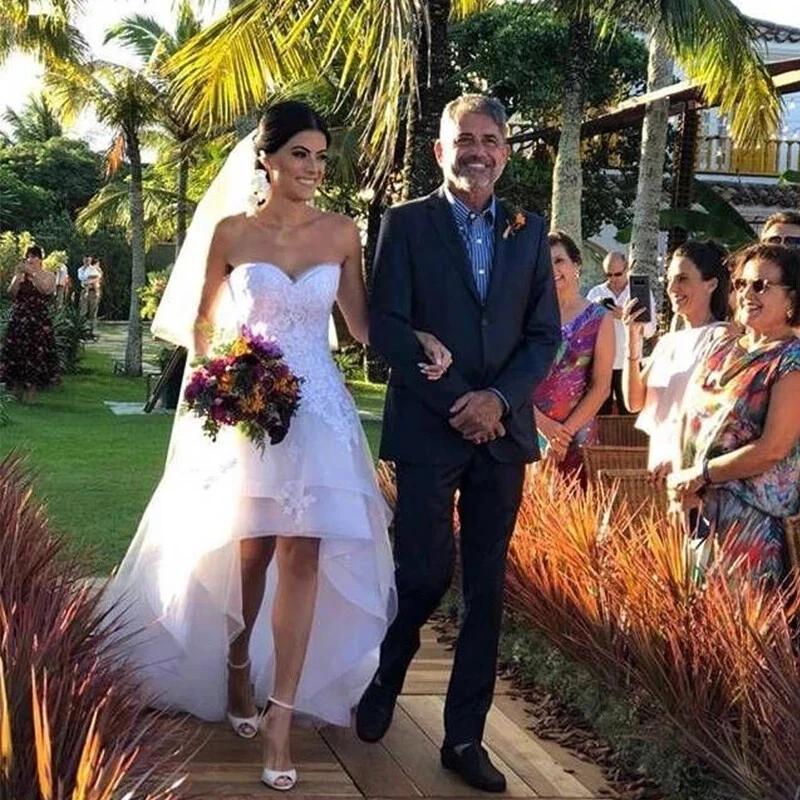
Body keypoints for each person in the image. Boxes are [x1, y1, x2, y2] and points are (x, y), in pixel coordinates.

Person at [103, 101, 451, 792]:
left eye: (320, 158)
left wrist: (417, 339)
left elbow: (359, 326)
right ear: (266, 158)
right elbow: (203, 325)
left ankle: (281, 718)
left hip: (318, 413)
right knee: (251, 553)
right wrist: (225, 376)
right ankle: (238, 668)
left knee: (303, 553)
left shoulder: (342, 232)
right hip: (251, 412)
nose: (314, 169)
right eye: (300, 155)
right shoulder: (232, 232)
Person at [357, 94, 561, 793]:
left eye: (490, 139)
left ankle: (464, 738)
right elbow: (386, 326)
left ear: (506, 151)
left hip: (501, 435)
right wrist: (458, 402)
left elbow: (543, 336)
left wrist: (496, 401)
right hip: (428, 428)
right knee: (421, 573)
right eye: (464, 139)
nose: (478, 151)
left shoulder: (529, 231)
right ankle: (388, 672)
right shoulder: (406, 223)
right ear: (440, 151)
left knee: (485, 588)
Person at [667, 243, 800, 584]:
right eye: (741, 283)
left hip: (750, 523)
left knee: (740, 617)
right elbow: (688, 417)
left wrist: (702, 474)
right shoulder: (724, 346)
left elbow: (773, 448)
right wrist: (684, 483)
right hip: (697, 509)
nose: (746, 294)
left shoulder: (791, 360)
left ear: (792, 299)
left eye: (761, 286)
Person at [621, 240, 730, 474]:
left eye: (682, 279)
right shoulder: (668, 342)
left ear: (711, 284)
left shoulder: (723, 338)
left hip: (693, 469)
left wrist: (680, 459)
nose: (672, 288)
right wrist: (632, 338)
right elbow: (633, 402)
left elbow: (720, 417)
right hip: (658, 469)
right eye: (669, 279)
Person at [533, 231, 614, 480]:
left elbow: (601, 387)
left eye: (559, 260)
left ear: (576, 263)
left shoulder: (599, 318)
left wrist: (562, 435)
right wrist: (543, 426)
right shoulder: (527, 317)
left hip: (577, 435)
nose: (553, 269)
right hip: (530, 429)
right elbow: (514, 378)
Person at [587, 251, 656, 414]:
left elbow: (650, 330)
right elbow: (585, 331)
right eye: (608, 274)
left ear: (627, 268)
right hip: (601, 365)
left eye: (617, 274)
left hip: (630, 363)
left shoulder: (639, 292)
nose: (613, 279)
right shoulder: (596, 293)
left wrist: (626, 318)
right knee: (600, 416)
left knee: (630, 415)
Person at [0, 244, 59, 403]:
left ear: (40, 259)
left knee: (35, 355)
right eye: (28, 256)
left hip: (38, 320)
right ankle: (16, 393)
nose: (30, 259)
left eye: (33, 256)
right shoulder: (22, 276)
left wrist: (32, 274)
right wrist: (18, 276)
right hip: (20, 318)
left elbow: (46, 290)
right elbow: (11, 293)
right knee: (17, 354)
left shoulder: (48, 275)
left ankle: (31, 395)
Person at [78, 255, 102, 337]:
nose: (87, 261)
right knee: (83, 311)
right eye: (85, 259)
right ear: (83, 260)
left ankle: (92, 331)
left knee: (92, 312)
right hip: (84, 290)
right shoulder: (80, 269)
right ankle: (82, 331)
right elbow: (81, 278)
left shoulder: (93, 269)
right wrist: (87, 281)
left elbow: (98, 277)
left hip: (93, 291)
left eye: (88, 260)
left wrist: (89, 281)